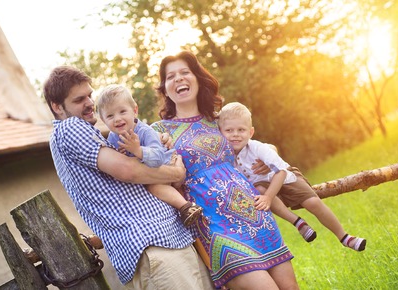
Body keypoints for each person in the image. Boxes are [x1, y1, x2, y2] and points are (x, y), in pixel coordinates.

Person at [42, 66, 215, 289]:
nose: (89, 103)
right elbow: (128, 171)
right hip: (152, 246)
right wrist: (175, 172)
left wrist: (156, 144)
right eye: (79, 99)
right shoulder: (70, 127)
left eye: (89, 95)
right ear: (57, 107)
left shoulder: (92, 134)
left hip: (167, 241)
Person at [151, 51, 299, 290]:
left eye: (185, 72)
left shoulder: (218, 119)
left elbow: (256, 146)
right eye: (171, 76)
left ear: (198, 79)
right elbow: (154, 177)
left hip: (254, 212)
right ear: (165, 89)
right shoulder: (159, 131)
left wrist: (268, 151)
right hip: (215, 226)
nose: (178, 79)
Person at [218, 101, 367, 252]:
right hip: (264, 189)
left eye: (241, 130)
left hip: (285, 177)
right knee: (259, 190)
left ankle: (345, 237)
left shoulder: (257, 148)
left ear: (250, 132)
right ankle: (297, 222)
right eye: (229, 130)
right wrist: (267, 196)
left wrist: (269, 197)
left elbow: (281, 172)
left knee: (313, 203)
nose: (235, 134)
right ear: (220, 132)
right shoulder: (224, 158)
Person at [96, 84, 203, 227]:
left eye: (122, 111)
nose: (117, 119)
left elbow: (158, 157)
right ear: (103, 120)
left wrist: (138, 150)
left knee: (153, 187)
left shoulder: (145, 131)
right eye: (110, 115)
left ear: (134, 111)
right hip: (149, 172)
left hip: (167, 163)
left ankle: (186, 207)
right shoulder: (112, 138)